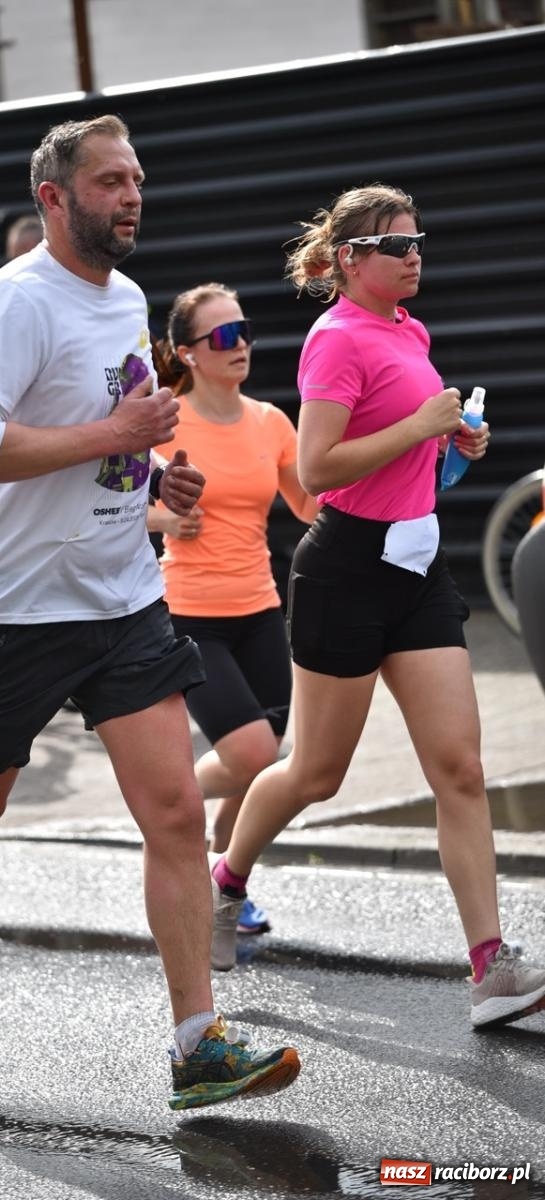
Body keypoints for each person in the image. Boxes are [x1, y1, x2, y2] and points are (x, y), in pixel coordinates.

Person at [0, 115, 300, 1111]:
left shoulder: (132, 300)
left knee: (176, 810)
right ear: (55, 197)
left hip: (121, 593)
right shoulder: (13, 302)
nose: (132, 195)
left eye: (138, 178)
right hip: (15, 609)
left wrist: (157, 474)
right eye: (110, 181)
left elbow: (121, 428)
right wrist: (116, 429)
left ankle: (196, 1040)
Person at [210, 184, 545, 1031]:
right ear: (350, 261)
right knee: (315, 774)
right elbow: (318, 470)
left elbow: (405, 444)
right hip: (347, 571)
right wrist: (416, 424)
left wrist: (450, 436)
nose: (415, 254)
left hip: (418, 567)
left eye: (418, 240)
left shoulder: (409, 330)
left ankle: (488, 967)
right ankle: (224, 881)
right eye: (398, 244)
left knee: (460, 768)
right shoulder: (333, 341)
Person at [148, 283, 317, 946]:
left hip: (259, 608)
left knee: (264, 758)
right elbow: (113, 504)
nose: (238, 345)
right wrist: (165, 517)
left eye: (242, 331)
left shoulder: (270, 422)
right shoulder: (166, 423)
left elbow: (310, 505)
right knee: (250, 750)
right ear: (187, 354)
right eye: (221, 337)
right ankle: (168, 806)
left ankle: (224, 882)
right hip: (188, 611)